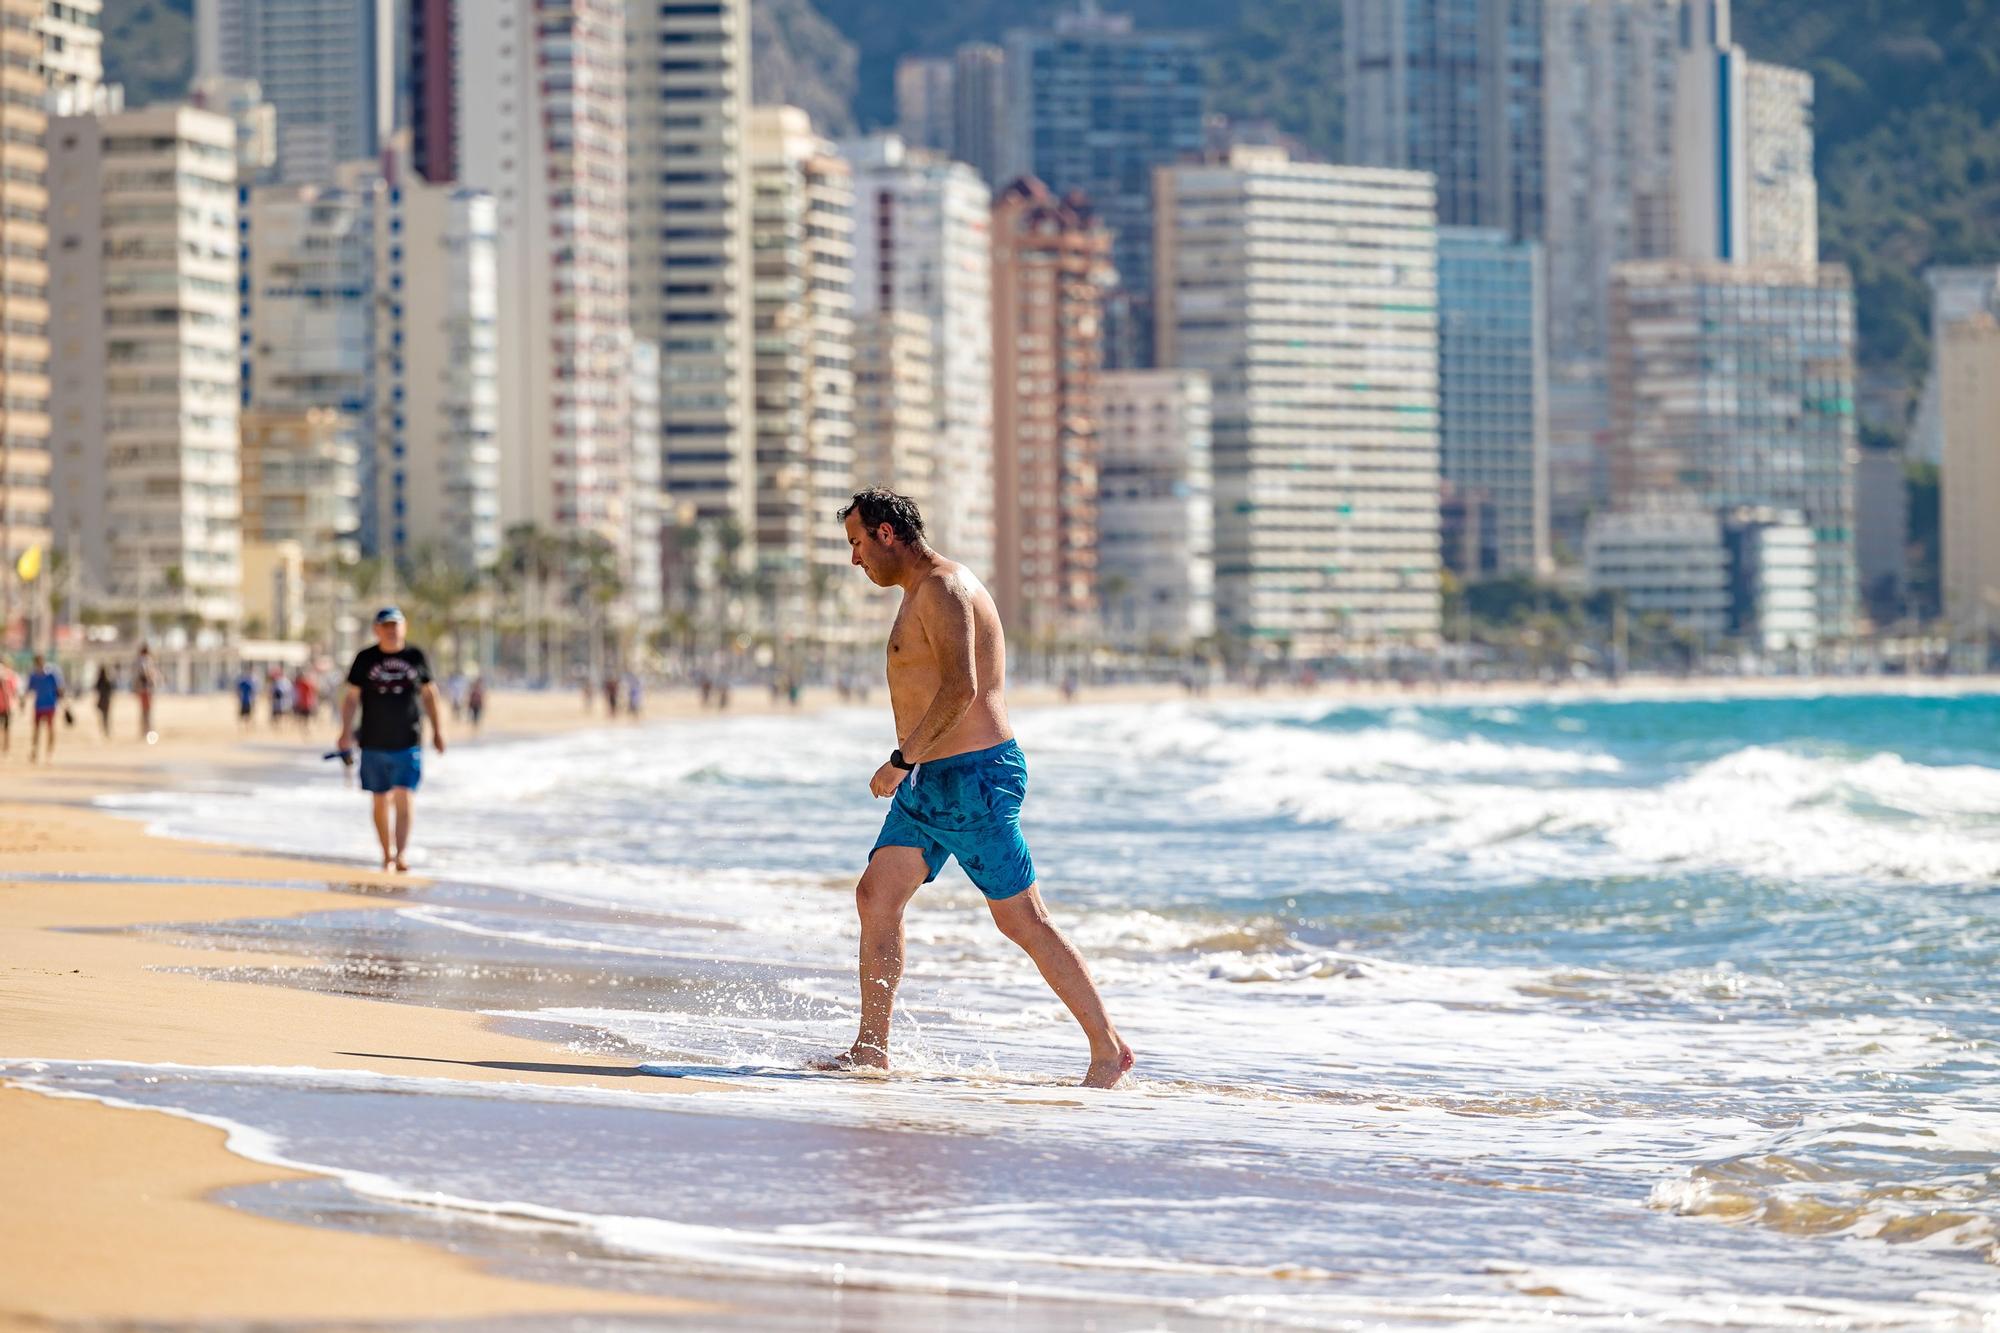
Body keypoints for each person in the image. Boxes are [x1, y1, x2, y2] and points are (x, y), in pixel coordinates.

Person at [817, 487, 1133, 1089]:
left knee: (1021, 920)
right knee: (876, 897)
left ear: (887, 533)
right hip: (931, 781)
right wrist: (914, 766)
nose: (855, 559)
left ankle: (1107, 1047)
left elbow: (960, 688)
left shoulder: (943, 589)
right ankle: (870, 1049)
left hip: (972, 780)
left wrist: (899, 760)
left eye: (858, 543)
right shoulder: (919, 592)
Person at [337, 607, 446, 872]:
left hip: (408, 739)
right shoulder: (365, 658)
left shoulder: (415, 656)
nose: (391, 629)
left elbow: (430, 694)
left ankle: (401, 855)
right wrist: (345, 731)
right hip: (373, 740)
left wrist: (438, 730)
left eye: (395, 625)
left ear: (404, 627)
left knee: (404, 795)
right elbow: (351, 698)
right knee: (379, 798)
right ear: (376, 629)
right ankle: (386, 853)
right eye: (385, 625)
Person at [26, 653, 61, 763]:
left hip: (50, 705)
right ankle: (35, 751)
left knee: (50, 730)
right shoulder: (33, 676)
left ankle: (49, 753)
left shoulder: (51, 674)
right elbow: (29, 689)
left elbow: (59, 689)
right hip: (39, 706)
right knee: (36, 730)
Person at [133, 644, 159, 742]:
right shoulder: (145, 660)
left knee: (144, 711)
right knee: (147, 711)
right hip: (146, 689)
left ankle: (145, 730)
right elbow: (146, 673)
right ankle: (148, 731)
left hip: (143, 689)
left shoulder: (140, 660)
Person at [93, 666, 116, 737]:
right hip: (105, 700)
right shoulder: (106, 680)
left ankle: (105, 729)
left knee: (103, 716)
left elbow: (96, 690)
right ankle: (106, 730)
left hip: (102, 700)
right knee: (106, 716)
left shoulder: (101, 680)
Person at [292, 668, 317, 733]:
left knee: (305, 718)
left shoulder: (304, 684)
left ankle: (305, 729)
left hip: (305, 703)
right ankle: (304, 729)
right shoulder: (303, 683)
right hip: (304, 703)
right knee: (304, 718)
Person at [0, 660, 17, 755]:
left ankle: (6, 747)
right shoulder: (9, 676)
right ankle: (5, 746)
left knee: (6, 728)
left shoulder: (9, 676)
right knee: (5, 728)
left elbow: (12, 691)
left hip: (6, 706)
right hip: (6, 706)